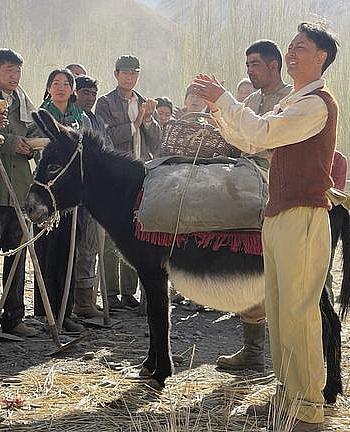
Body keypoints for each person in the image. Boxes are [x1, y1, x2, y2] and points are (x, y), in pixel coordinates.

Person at [194, 22, 339, 432]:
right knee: (278, 311)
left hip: (304, 216)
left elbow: (261, 132)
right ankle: (288, 394)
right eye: (291, 46)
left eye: (301, 47)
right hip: (279, 216)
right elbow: (252, 142)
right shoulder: (295, 100)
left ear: (321, 57)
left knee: (298, 311)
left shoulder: (315, 104)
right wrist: (218, 107)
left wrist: (222, 97)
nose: (292, 53)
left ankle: (308, 407)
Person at [216, 40, 292, 373]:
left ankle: (295, 361)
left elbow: (266, 140)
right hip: (249, 195)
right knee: (249, 270)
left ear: (273, 65)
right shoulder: (250, 100)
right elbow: (237, 140)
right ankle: (252, 351)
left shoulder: (292, 100)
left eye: (255, 64)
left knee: (287, 278)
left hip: (283, 193)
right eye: (247, 64)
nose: (249, 70)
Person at [95, 55, 161, 310]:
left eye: (134, 73)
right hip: (114, 176)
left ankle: (128, 292)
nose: (129, 77)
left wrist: (147, 120)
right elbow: (106, 136)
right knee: (113, 234)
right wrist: (134, 122)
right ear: (116, 74)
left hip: (140, 175)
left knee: (137, 231)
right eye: (125, 73)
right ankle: (110, 292)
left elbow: (156, 141)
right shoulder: (105, 103)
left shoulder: (143, 102)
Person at [34, 68, 89, 332]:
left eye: (65, 84)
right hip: (47, 195)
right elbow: (35, 148)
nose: (60, 88)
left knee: (69, 252)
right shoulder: (41, 116)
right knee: (47, 252)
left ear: (72, 89)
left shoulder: (82, 118)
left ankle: (65, 312)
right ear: (48, 87)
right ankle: (45, 313)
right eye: (55, 83)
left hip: (72, 198)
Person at [0, 48, 38, 337]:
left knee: (18, 256)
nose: (14, 76)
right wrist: (9, 141)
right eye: (8, 69)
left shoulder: (23, 102)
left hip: (19, 190)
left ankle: (13, 317)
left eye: (18, 70)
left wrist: (37, 144)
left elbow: (34, 131)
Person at [72, 75, 105, 318]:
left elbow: (106, 149)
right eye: (85, 92)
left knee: (91, 245)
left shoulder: (95, 120)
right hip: (75, 192)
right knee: (76, 246)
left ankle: (87, 299)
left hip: (95, 192)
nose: (90, 98)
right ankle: (78, 302)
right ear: (76, 93)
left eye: (93, 93)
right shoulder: (73, 118)